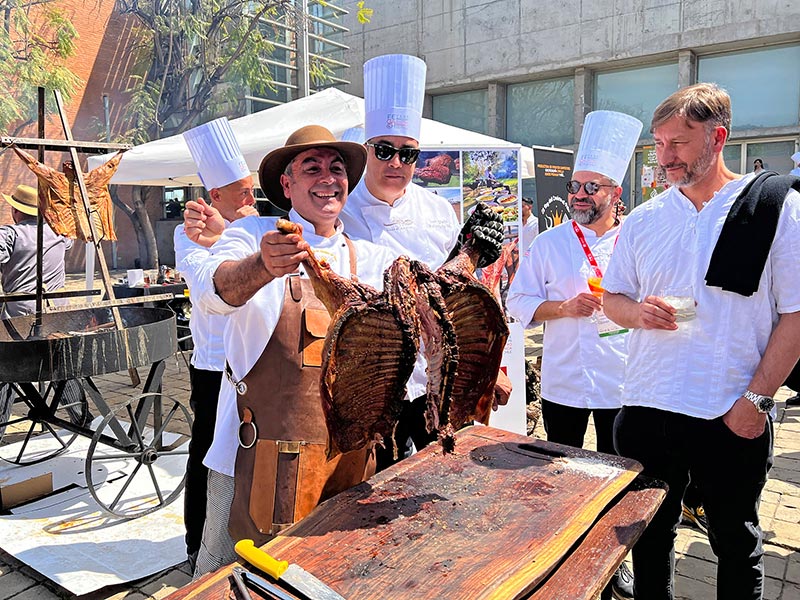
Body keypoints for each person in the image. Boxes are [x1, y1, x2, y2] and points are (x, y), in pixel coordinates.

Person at [603, 83, 800, 600]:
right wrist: (638, 314)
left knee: (735, 541)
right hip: (647, 406)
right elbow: (613, 299)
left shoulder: (776, 208)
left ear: (718, 137)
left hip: (729, 409)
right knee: (647, 535)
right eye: (659, 143)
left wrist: (756, 401)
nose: (664, 156)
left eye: (679, 143)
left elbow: (797, 317)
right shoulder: (644, 220)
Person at [184, 125, 398, 577]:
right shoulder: (250, 235)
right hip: (256, 459)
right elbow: (211, 289)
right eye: (312, 167)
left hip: (345, 461)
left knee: (333, 572)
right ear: (287, 184)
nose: (327, 177)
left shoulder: (372, 260)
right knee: (230, 578)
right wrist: (263, 266)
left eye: (336, 168)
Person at [340, 54, 506, 470]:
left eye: (408, 154)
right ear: (366, 150)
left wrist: (490, 367)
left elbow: (458, 295)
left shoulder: (436, 210)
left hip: (437, 378)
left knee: (440, 483)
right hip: (371, 381)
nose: (396, 163)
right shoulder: (338, 212)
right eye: (385, 151)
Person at [506, 110, 642, 600]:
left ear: (615, 193)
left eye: (592, 187)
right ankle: (560, 550)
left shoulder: (638, 240)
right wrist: (563, 307)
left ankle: (615, 559)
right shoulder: (548, 243)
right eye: (575, 185)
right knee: (561, 471)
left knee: (615, 472)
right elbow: (517, 302)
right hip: (564, 379)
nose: (580, 195)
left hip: (624, 381)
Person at [173, 117, 259, 571]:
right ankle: (196, 545)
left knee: (248, 453)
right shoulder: (186, 231)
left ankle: (242, 535)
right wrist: (227, 232)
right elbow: (213, 285)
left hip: (254, 360)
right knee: (206, 452)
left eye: (251, 190)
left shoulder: (258, 224)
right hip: (212, 362)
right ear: (214, 198)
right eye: (241, 192)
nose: (251, 199)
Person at [0, 184, 72, 319]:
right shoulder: (60, 233)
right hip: (59, 309)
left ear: (15, 210)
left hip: (21, 313)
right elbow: (68, 243)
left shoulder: (10, 234)